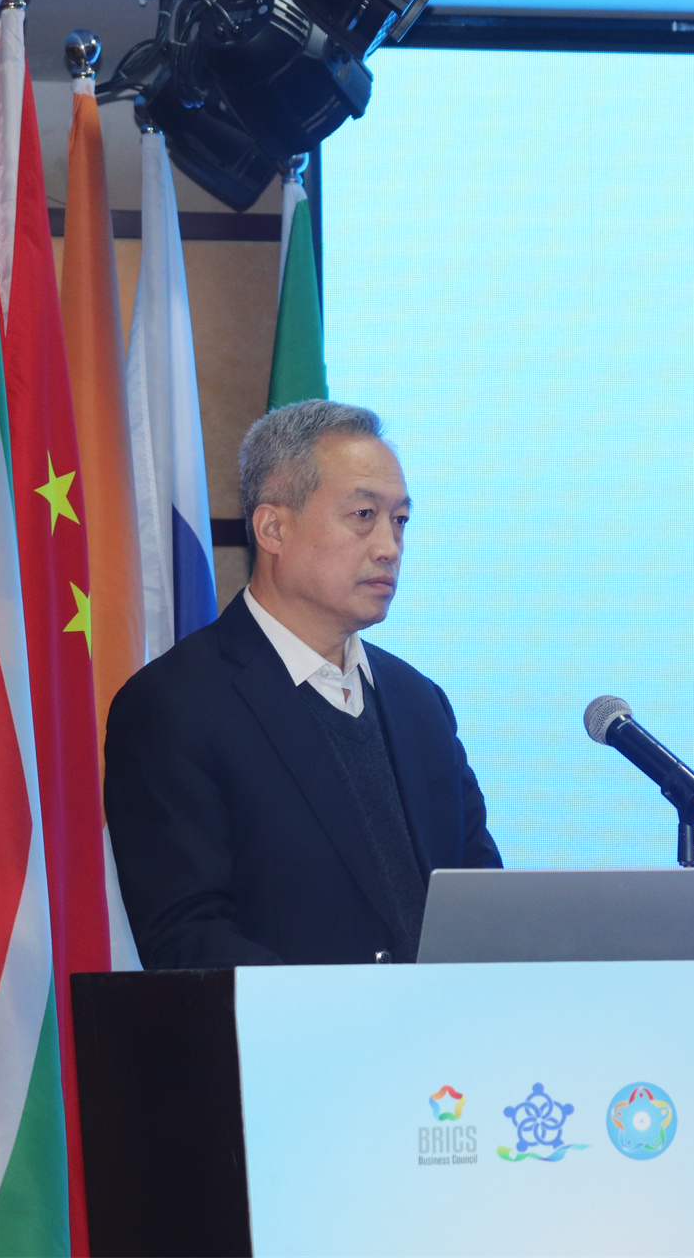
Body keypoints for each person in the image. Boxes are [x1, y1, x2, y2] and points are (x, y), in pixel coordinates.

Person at [104, 400, 501, 968]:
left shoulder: (419, 702)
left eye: (400, 520)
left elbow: (480, 899)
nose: (389, 547)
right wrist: (343, 1010)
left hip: (442, 1025)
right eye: (363, 514)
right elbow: (186, 939)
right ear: (273, 528)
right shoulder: (175, 705)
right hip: (288, 1027)